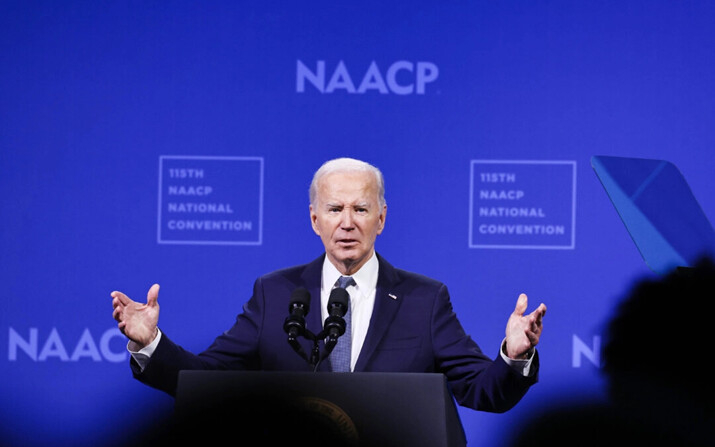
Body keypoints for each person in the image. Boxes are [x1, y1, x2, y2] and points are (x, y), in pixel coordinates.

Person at [111, 157, 547, 414]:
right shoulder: (275, 293)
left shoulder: (424, 299)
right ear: (314, 219)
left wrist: (513, 355)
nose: (347, 222)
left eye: (361, 208)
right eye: (335, 208)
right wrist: (151, 344)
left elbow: (483, 390)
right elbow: (205, 381)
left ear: (382, 218)